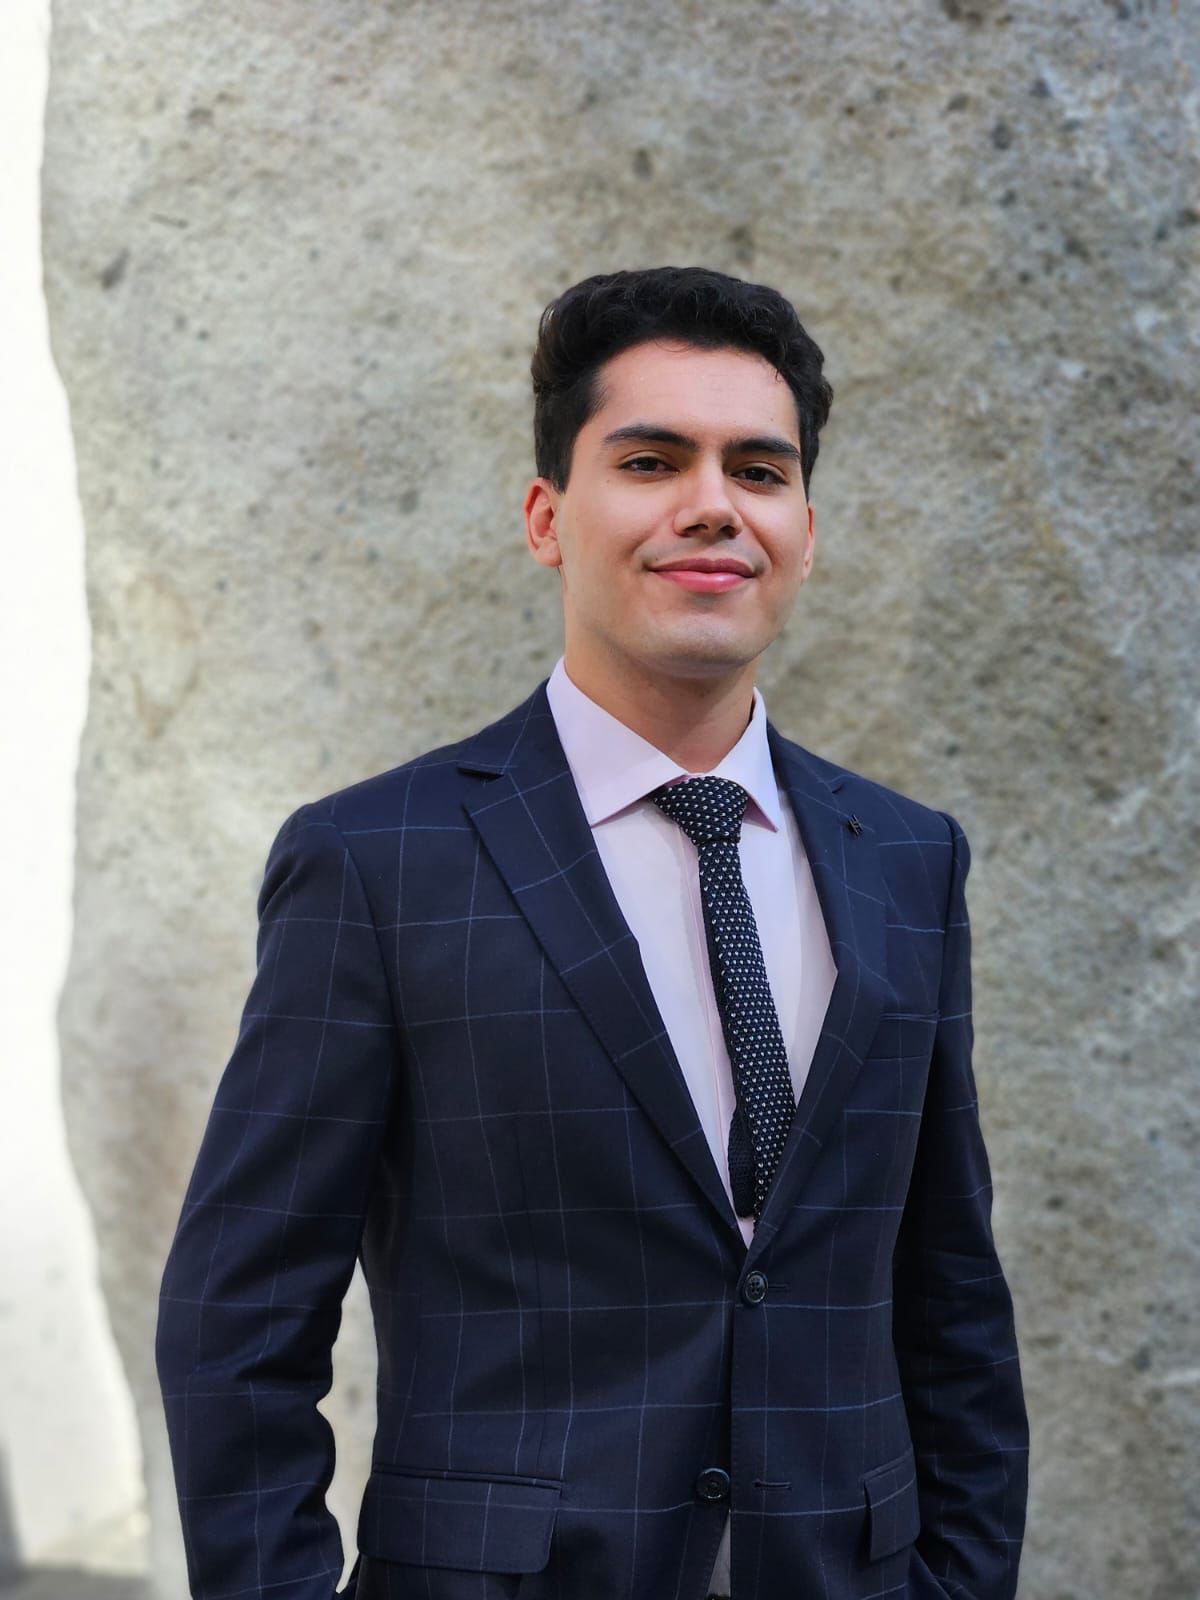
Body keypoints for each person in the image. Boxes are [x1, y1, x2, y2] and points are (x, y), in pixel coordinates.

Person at [156, 265, 1029, 1600]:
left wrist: (962, 1579)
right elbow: (240, 1318)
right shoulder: (378, 862)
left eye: (759, 469)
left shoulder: (909, 858)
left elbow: (948, 1287)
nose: (713, 505)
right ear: (547, 518)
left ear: (804, 530)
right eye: (651, 460)